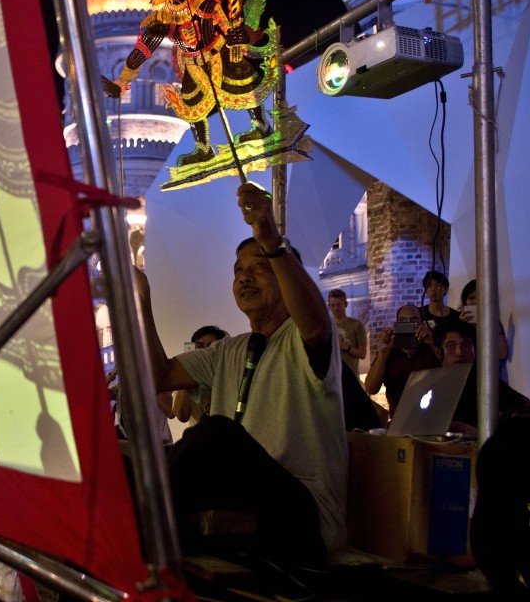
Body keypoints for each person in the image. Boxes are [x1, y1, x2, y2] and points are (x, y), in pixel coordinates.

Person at [134, 181, 346, 568]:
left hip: (304, 517)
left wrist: (271, 240)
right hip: (240, 501)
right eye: (239, 271)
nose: (245, 277)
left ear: (287, 276)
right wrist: (140, 302)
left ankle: (128, 535)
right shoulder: (228, 350)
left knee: (217, 434)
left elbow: (315, 326)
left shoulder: (307, 338)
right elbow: (159, 376)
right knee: (132, 459)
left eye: (259, 267)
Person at [101, 0, 277, 166]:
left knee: (243, 83)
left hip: (218, 52)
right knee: (191, 105)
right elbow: (144, 47)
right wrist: (122, 81)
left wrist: (243, 31)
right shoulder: (165, 18)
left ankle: (261, 126)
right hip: (192, 63)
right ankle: (203, 149)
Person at [437, 318, 530, 435]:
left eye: (466, 345)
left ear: (475, 351)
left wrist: (481, 434)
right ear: (438, 352)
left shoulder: (485, 382)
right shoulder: (430, 385)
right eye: (451, 346)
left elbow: (526, 409)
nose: (459, 352)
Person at [363, 303, 440, 416]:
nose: (407, 325)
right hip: (399, 418)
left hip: (430, 416)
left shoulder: (429, 350)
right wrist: (384, 352)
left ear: (421, 324)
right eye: (403, 321)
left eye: (413, 321)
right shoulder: (390, 354)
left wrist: (432, 345)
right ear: (396, 326)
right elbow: (371, 388)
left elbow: (449, 382)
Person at [171, 325, 229, 424]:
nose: (205, 351)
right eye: (200, 346)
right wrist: (187, 369)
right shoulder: (187, 382)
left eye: (211, 346)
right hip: (200, 433)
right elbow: (182, 415)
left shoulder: (229, 375)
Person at [327, 288, 367, 375]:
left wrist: (347, 348)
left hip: (351, 376)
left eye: (338, 305)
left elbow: (363, 354)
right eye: (333, 305)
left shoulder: (356, 325)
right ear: (329, 306)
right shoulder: (326, 326)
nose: (335, 309)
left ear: (345, 304)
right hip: (332, 376)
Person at [420, 270, 460, 334]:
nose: (433, 289)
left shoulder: (455, 316)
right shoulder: (419, 313)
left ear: (445, 289)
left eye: (437, 285)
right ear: (426, 290)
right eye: (429, 286)